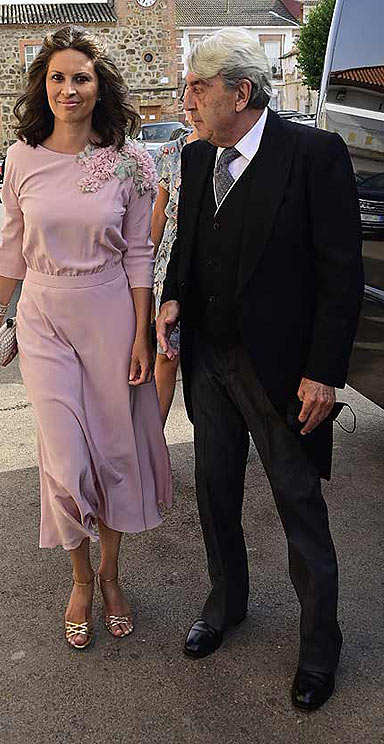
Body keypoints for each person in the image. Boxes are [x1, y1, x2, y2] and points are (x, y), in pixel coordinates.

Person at [156, 28, 362, 711]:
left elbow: (341, 275)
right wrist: (173, 297)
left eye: (197, 87)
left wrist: (323, 373)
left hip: (282, 373)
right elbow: (187, 243)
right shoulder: (193, 160)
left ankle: (319, 647)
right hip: (209, 360)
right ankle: (226, 604)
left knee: (298, 507)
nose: (186, 98)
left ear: (239, 92)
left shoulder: (314, 156)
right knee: (214, 495)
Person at [0, 26, 172, 651]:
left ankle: (112, 577)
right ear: (43, 84)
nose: (69, 88)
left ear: (100, 88)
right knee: (64, 459)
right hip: (42, 315)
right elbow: (11, 240)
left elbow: (141, 252)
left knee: (113, 453)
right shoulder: (20, 156)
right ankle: (80, 578)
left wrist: (143, 334)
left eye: (81, 78)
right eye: (58, 77)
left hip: (111, 313)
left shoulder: (129, 160)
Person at [149, 115, 201, 423]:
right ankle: (154, 442)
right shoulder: (170, 153)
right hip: (169, 262)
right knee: (166, 354)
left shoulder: (227, 150)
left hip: (209, 262)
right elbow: (159, 213)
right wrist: (148, 260)